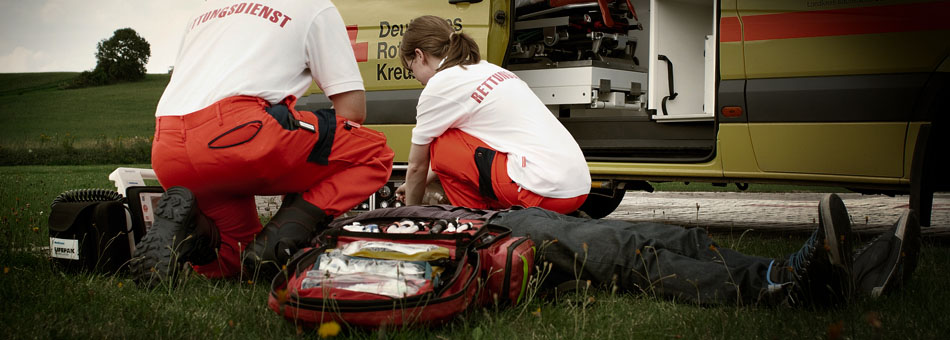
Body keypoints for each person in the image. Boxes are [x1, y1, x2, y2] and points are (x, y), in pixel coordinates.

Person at [132, 0, 395, 285]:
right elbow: (352, 112)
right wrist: (306, 189)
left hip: (168, 144)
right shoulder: (315, 6)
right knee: (373, 153)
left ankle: (194, 234)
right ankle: (282, 237)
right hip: (240, 133)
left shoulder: (205, 10)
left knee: (234, 259)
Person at [335, 193, 921, 306]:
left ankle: (799, 272)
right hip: (498, 240)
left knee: (678, 237)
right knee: (624, 251)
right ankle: (776, 289)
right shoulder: (347, 238)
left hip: (506, 217)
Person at [393, 15, 591, 214]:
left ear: (420, 55)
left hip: (543, 193)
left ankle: (474, 222)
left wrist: (410, 215)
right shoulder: (485, 68)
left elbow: (417, 166)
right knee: (449, 139)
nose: (417, 79)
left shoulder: (439, 84)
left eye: (411, 70)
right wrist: (416, 185)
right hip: (576, 189)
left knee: (439, 142)